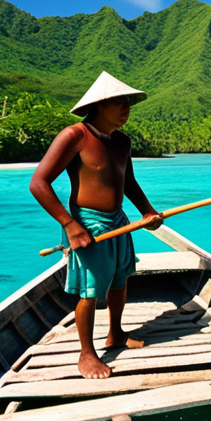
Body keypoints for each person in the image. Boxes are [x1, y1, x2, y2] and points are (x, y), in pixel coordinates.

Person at [29, 71, 162, 379]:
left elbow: (128, 181)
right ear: (100, 104)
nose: (126, 108)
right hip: (86, 222)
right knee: (89, 290)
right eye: (119, 102)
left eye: (129, 102)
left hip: (118, 220)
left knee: (120, 278)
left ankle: (115, 332)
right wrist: (70, 225)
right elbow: (39, 183)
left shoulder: (122, 141)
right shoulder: (75, 136)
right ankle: (86, 354)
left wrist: (147, 212)